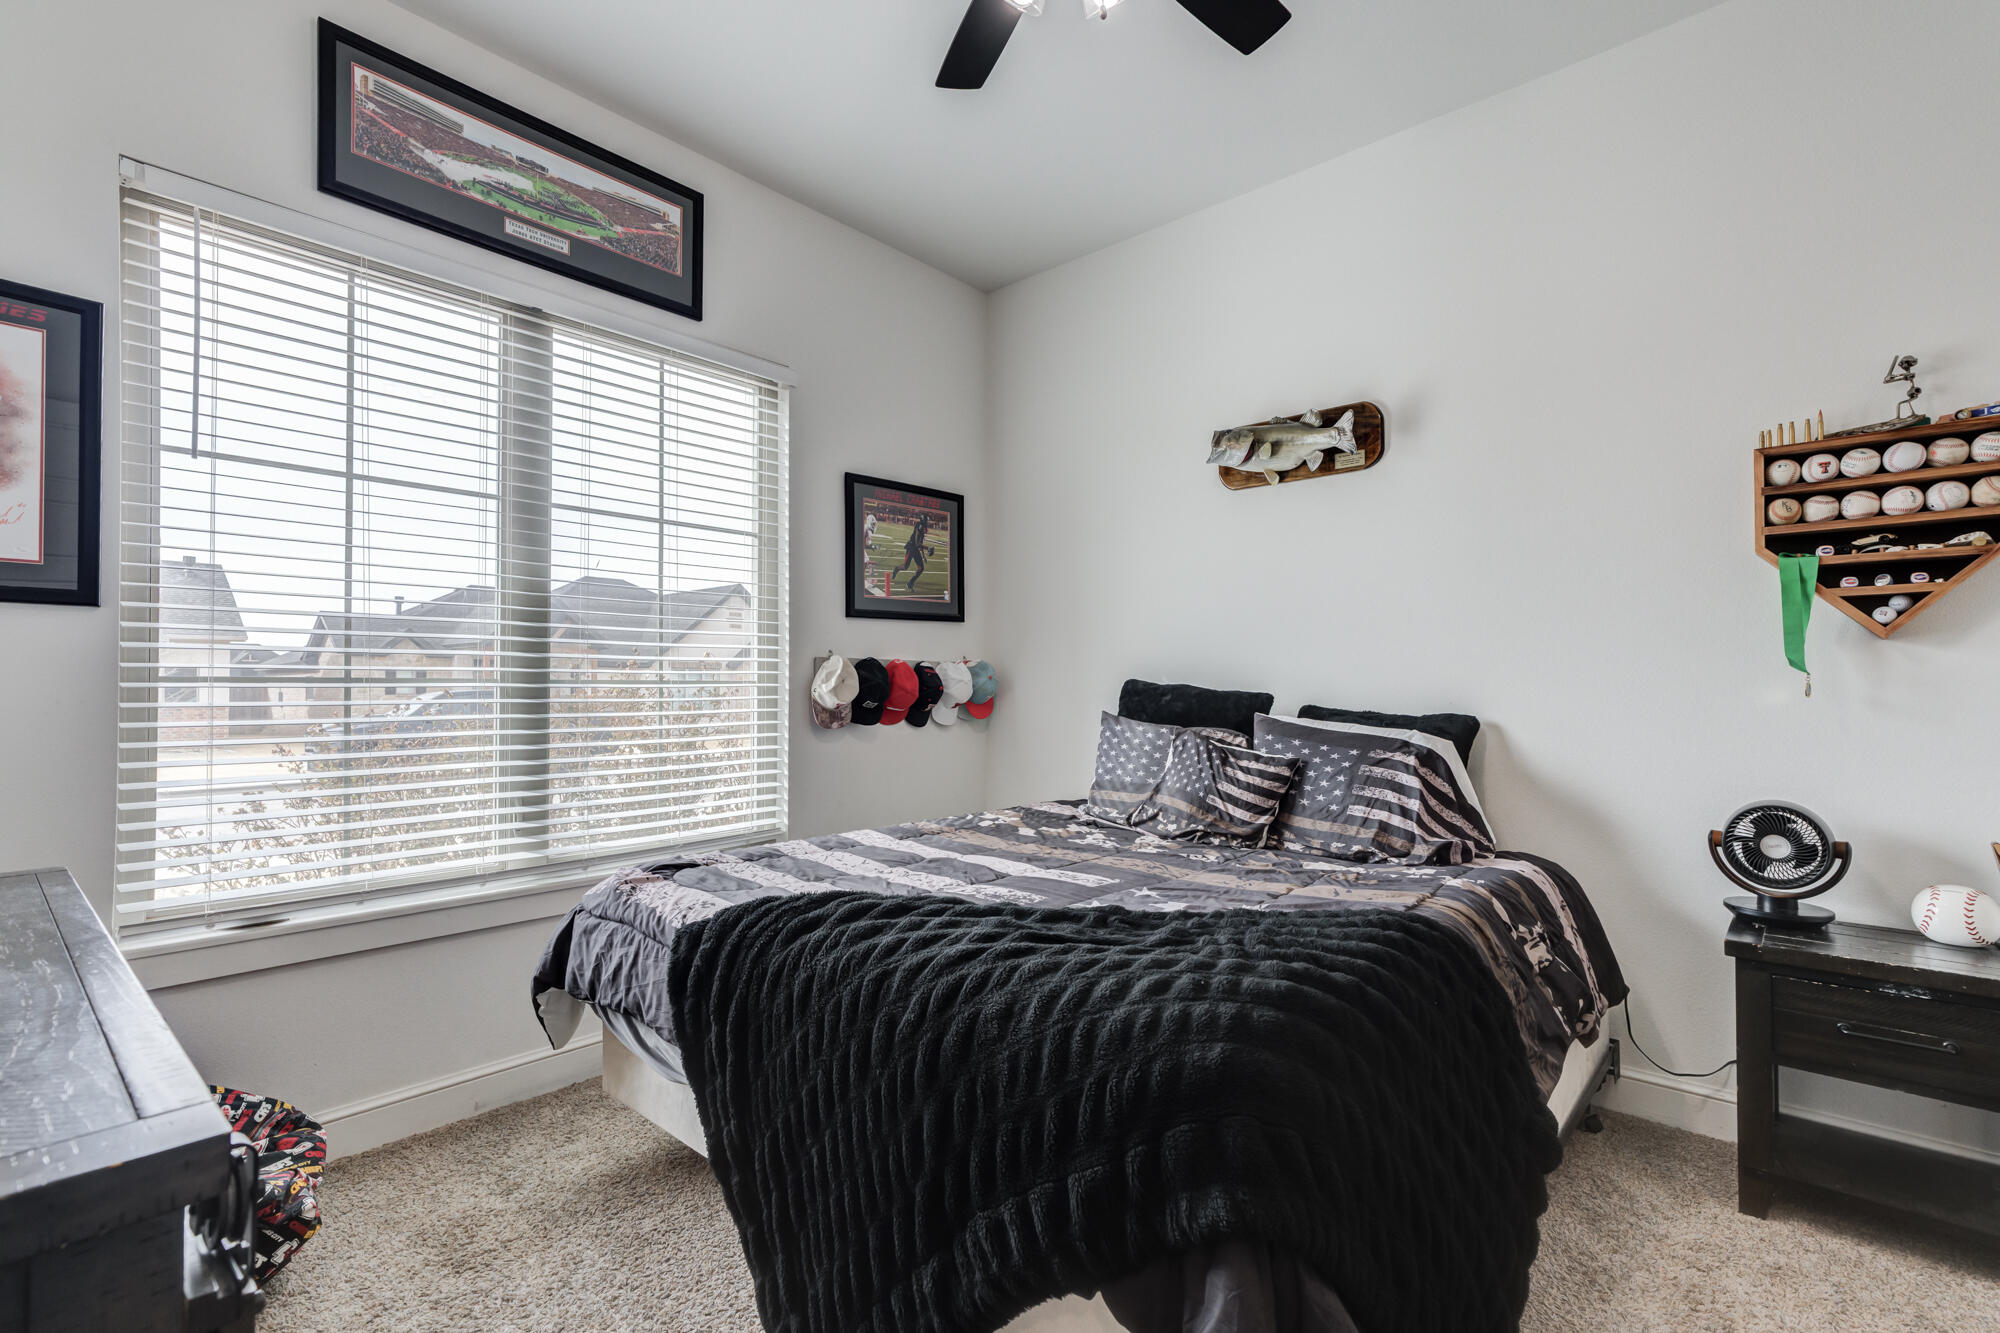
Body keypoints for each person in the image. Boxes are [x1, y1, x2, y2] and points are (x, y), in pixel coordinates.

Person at [899, 513, 931, 590]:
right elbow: (917, 543)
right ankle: (896, 569)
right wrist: (928, 548)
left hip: (915, 549)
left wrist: (923, 556)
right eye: (926, 521)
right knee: (905, 566)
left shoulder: (922, 528)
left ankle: (910, 583)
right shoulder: (919, 527)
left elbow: (920, 543)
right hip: (911, 548)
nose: (927, 523)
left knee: (921, 568)